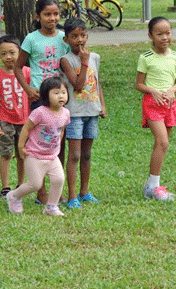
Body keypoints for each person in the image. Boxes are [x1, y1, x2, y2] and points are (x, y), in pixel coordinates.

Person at [14, 0, 69, 203]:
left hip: (61, 97)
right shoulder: (31, 38)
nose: (52, 18)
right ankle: (40, 191)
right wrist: (28, 89)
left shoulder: (64, 38)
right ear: (38, 16)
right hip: (40, 98)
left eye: (56, 14)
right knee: (39, 142)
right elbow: (18, 67)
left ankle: (57, 188)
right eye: (47, 14)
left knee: (58, 141)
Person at [59, 18, 106, 209]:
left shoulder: (94, 57)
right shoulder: (66, 60)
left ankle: (84, 192)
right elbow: (78, 86)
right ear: (66, 40)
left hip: (91, 111)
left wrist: (102, 105)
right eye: (74, 36)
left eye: (83, 35)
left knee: (87, 154)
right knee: (75, 155)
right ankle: (72, 196)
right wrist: (84, 63)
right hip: (75, 113)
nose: (79, 40)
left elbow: (96, 82)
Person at [5, 76, 70, 216]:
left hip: (52, 156)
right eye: (56, 93)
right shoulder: (39, 112)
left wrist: (57, 146)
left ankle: (51, 206)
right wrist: (21, 147)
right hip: (34, 155)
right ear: (46, 95)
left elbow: (61, 129)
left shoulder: (65, 113)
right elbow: (26, 129)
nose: (61, 96)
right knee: (35, 184)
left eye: (64, 92)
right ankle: (14, 196)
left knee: (59, 179)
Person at [135, 17, 176, 201]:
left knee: (160, 146)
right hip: (152, 104)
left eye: (168, 33)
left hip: (170, 105)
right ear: (151, 36)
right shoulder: (146, 58)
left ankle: (151, 185)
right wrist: (153, 90)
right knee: (163, 142)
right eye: (159, 34)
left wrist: (171, 90)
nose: (164, 37)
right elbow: (139, 84)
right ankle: (154, 187)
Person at [0, 36, 30, 199]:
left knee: (22, 153)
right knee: (5, 154)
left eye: (12, 53)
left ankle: (21, 184)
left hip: (25, 121)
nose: (8, 57)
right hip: (6, 120)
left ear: (20, 53)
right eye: (3, 53)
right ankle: (5, 187)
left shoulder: (27, 72)